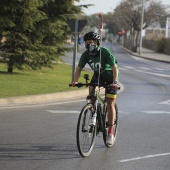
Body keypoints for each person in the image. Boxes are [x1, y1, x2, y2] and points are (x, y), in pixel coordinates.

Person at [72, 31, 119, 146]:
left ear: (97, 43)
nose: (89, 44)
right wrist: (75, 81)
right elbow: (79, 69)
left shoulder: (105, 52)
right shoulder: (86, 55)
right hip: (98, 75)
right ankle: (93, 110)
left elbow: (114, 68)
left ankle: (110, 132)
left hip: (110, 76)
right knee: (91, 90)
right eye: (87, 42)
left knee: (110, 103)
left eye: (91, 42)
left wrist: (115, 82)